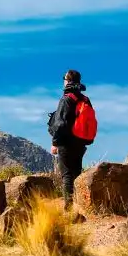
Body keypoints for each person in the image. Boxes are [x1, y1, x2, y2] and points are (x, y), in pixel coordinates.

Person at [47, 69, 95, 212]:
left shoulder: (67, 98)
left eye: (64, 78)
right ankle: (80, 205)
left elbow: (60, 124)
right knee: (76, 173)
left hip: (66, 142)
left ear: (67, 80)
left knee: (67, 174)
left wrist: (55, 143)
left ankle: (68, 208)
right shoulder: (85, 99)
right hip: (80, 142)